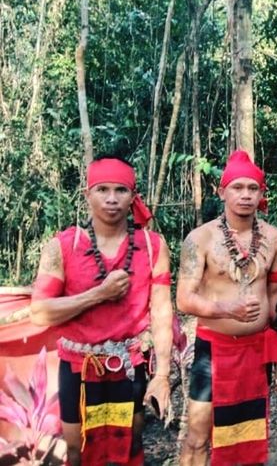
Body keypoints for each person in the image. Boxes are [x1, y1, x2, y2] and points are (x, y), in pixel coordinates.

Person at [30, 156, 173, 466]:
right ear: (87, 194)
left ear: (133, 197)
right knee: (76, 450)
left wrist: (162, 374)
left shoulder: (152, 246)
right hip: (78, 367)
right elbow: (40, 312)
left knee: (131, 444)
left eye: (121, 190)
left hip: (127, 363)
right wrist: (98, 294)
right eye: (102, 189)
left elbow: (162, 311)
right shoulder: (63, 246)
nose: (111, 199)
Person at [176, 150, 277, 466]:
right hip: (213, 351)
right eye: (237, 188)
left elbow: (274, 294)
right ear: (222, 191)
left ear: (262, 194)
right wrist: (227, 309)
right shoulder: (200, 239)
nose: (246, 195)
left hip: (255, 351)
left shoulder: (274, 237)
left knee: (248, 434)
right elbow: (184, 299)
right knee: (198, 434)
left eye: (253, 189)